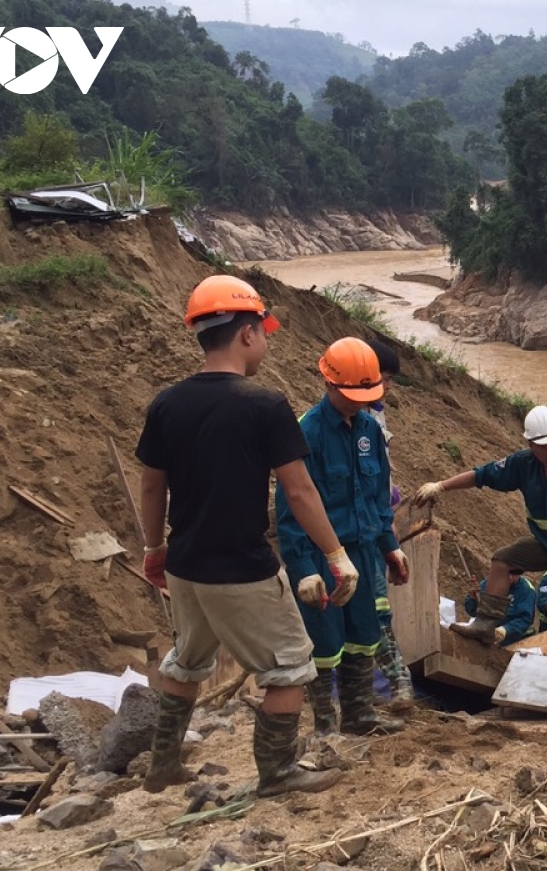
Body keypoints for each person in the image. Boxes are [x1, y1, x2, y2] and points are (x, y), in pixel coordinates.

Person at [136, 275, 347, 797]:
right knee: (291, 667)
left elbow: (151, 484)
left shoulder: (167, 403)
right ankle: (276, 774)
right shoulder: (264, 404)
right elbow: (298, 492)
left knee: (186, 661)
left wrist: (153, 548)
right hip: (242, 567)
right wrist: (335, 554)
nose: (267, 343)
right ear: (247, 334)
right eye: (264, 332)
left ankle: (162, 766)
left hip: (185, 563)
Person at [274, 338, 407, 737]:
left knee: (364, 636)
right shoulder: (306, 433)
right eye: (353, 394)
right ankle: (326, 725)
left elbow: (377, 497)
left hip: (364, 553)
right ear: (329, 383)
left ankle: (359, 715)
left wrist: (390, 547)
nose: (360, 402)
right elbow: (291, 506)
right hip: (321, 557)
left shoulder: (370, 430)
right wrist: (302, 568)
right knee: (325, 641)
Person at [413, 405, 547, 655]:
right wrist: (441, 486)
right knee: (503, 560)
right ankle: (485, 625)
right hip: (546, 544)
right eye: (544, 446)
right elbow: (481, 475)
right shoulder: (522, 464)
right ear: (530, 444)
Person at [362, 338, 413, 708]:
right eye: (385, 377)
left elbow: (377, 470)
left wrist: (389, 499)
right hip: (352, 531)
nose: (390, 386)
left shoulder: (375, 414)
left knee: (377, 606)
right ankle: (388, 686)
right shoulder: (324, 424)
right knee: (367, 608)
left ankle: (394, 684)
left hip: (371, 526)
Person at [464, 568, 539, 646]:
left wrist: (504, 630)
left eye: (513, 574)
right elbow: (472, 612)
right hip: (489, 637)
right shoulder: (489, 583)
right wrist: (473, 598)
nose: (510, 577)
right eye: (507, 573)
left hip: (518, 640)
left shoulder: (526, 591)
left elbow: (525, 619)